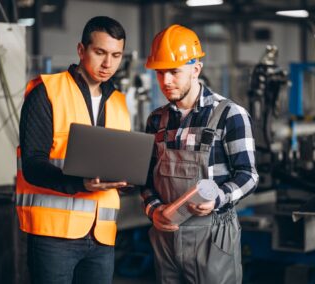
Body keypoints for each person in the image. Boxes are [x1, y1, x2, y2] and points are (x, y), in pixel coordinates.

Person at [141, 24, 259, 284]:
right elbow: (146, 180)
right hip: (166, 238)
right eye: (160, 73)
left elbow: (248, 175)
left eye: (174, 72)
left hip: (213, 238)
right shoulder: (156, 120)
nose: (166, 81)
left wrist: (219, 197)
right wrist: (154, 210)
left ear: (196, 70)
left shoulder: (229, 115)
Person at [17, 16, 130, 284]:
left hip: (102, 235)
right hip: (53, 236)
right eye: (100, 52)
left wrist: (129, 180)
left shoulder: (119, 102)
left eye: (116, 55)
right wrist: (80, 184)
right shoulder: (46, 92)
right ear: (81, 50)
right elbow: (33, 165)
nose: (108, 64)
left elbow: (118, 161)